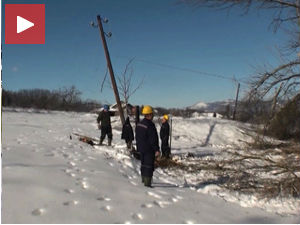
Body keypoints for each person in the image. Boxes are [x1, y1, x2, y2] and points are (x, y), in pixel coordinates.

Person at [135, 105, 160, 187]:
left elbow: (137, 136)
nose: (152, 115)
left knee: (143, 164)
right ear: (149, 114)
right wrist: (156, 149)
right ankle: (147, 184)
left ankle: (143, 180)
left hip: (141, 148)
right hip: (149, 149)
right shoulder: (150, 125)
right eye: (152, 114)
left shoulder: (139, 124)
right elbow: (153, 139)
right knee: (149, 166)